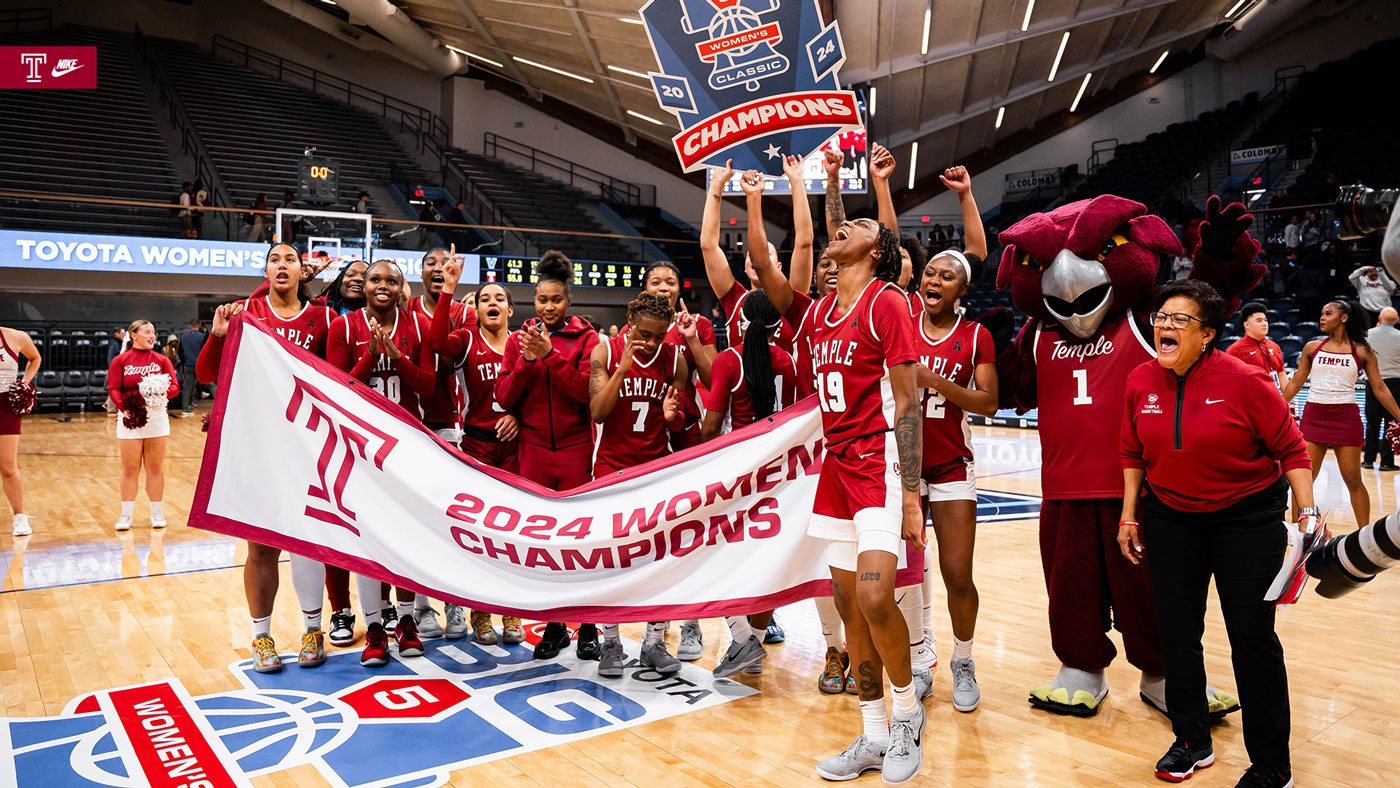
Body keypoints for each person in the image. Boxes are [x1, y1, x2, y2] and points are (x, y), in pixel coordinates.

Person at [1119, 279, 1315, 788]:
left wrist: (1308, 511)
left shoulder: (1246, 380)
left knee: (1252, 639)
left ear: (1206, 334)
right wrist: (1128, 515)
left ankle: (1272, 763)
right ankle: (1191, 740)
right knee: (1178, 636)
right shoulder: (1140, 380)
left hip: (1245, 520)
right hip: (1170, 518)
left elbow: (1291, 449)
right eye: (1161, 317)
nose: (1164, 325)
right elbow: (1131, 454)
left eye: (1179, 319)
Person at [801, 204, 925, 781]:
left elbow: (906, 402)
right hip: (836, 471)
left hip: (881, 465)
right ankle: (873, 734)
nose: (843, 227)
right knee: (851, 608)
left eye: (861, 226)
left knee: (877, 598)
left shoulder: (888, 301)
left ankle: (906, 719)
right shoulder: (823, 310)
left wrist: (911, 494)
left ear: (877, 250)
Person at [197, 242, 336, 673]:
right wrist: (218, 335)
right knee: (261, 547)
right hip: (257, 443)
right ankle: (262, 638)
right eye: (274, 259)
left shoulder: (323, 318)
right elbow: (205, 375)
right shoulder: (246, 314)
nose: (282, 265)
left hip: (305, 443)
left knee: (309, 542)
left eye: (289, 260)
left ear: (302, 271)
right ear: (266, 270)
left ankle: (313, 630)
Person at [326, 260, 436, 667]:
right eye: (376, 279)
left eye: (391, 280)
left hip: (407, 444)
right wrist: (372, 356)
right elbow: (338, 390)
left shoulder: (417, 327)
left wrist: (398, 358)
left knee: (405, 537)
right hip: (360, 446)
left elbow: (427, 385)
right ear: (364, 286)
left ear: (400, 286)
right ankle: (374, 626)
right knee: (367, 540)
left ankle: (405, 621)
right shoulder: (344, 327)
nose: (383, 285)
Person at [494, 251, 601, 661]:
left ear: (568, 301)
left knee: (584, 546)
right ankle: (555, 627)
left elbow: (587, 397)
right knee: (548, 547)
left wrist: (551, 357)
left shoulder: (588, 340)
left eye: (556, 300)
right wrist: (526, 360)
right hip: (534, 452)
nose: (548, 307)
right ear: (533, 300)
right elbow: (504, 397)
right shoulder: (519, 340)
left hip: (575, 452)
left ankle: (589, 626)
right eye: (541, 300)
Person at [587, 293, 690, 679]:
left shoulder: (676, 360)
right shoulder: (604, 351)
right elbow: (598, 411)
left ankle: (653, 641)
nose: (650, 342)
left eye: (658, 336)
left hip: (655, 471)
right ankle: (611, 642)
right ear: (629, 321)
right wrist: (623, 368)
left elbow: (678, 424)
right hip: (611, 469)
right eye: (644, 334)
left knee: (660, 561)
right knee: (610, 563)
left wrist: (672, 417)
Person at [698, 288, 799, 678]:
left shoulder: (727, 360)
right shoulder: (786, 361)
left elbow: (711, 425)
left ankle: (742, 639)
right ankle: (753, 641)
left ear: (739, 322)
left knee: (712, 559)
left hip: (736, 472)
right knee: (765, 564)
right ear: (778, 325)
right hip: (777, 475)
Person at [430, 259, 524, 644]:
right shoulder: (467, 339)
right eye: (485, 298)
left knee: (515, 536)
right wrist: (449, 288)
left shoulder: (523, 341)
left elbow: (534, 393)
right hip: (477, 446)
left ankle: (512, 612)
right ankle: (479, 613)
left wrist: (518, 416)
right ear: (477, 308)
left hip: (516, 447)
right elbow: (437, 343)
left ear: (510, 309)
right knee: (480, 535)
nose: (492, 303)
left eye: (499, 298)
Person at [1282, 300, 1400, 527]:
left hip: (1346, 419)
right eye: (1322, 314)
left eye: (1328, 314)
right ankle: (1300, 532)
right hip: (1314, 416)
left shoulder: (1363, 351)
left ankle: (1364, 533)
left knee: (1353, 480)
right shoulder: (1311, 347)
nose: (1322, 318)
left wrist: (1398, 415)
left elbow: (1380, 388)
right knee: (1305, 480)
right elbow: (1296, 381)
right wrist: (1277, 408)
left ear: (1343, 318)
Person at [108, 320, 179, 532]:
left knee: (155, 469)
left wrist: (158, 392)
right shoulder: (120, 361)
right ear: (134, 335)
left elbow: (174, 386)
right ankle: (126, 515)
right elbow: (113, 388)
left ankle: (156, 513)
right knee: (130, 469)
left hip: (157, 418)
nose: (152, 336)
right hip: (130, 417)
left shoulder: (162, 360)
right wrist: (124, 408)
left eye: (154, 332)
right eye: (147, 332)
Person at [1, 325, 41, 536]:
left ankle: (19, 516)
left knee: (8, 466)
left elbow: (35, 359)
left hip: (5, 406)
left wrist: (24, 385)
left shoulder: (16, 336)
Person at [1363, 306, 1400, 471]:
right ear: (1397, 320)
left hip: (1373, 381)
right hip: (1395, 383)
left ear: (1379, 319)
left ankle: (1368, 460)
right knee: (1391, 423)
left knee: (1372, 422)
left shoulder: (1367, 335)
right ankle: (1386, 462)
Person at [1225, 302, 1286, 391]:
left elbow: (1281, 374)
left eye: (1265, 320)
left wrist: (1288, 399)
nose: (1264, 324)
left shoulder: (1275, 347)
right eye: (1259, 321)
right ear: (1246, 325)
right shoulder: (1234, 350)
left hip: (1273, 398)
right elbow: (1229, 382)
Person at [179, 320, 206, 416]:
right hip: (200, 365)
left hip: (188, 365)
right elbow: (206, 351)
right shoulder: (202, 337)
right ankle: (222, 406)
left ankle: (185, 408)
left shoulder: (183, 337)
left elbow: (180, 352)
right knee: (211, 385)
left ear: (190, 326)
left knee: (187, 387)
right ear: (198, 326)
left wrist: (184, 362)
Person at [162, 335, 183, 414]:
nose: (174, 342)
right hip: (167, 371)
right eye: (173, 341)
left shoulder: (177, 349)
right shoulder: (165, 349)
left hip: (176, 369)